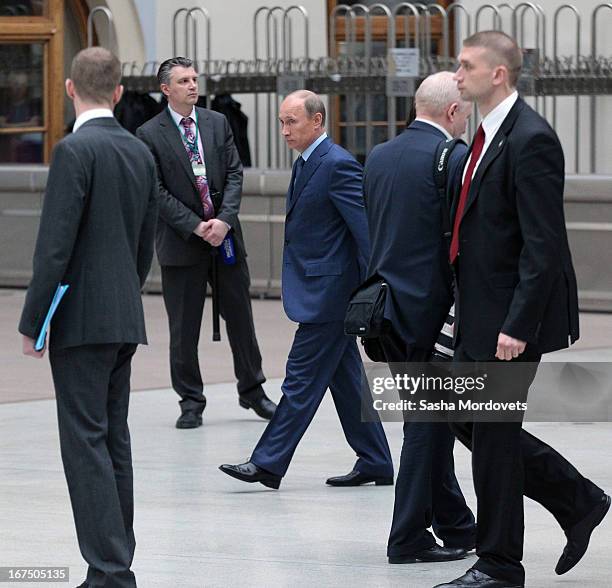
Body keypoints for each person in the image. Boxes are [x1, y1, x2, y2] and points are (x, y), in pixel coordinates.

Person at [435, 31, 610, 588]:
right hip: (478, 312)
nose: (457, 76)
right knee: (471, 423)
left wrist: (517, 324)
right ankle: (577, 498)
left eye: (465, 67)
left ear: (498, 75)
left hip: (508, 320)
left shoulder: (531, 138)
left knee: (491, 436)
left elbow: (544, 243)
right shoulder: (487, 136)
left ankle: (500, 565)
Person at [18, 47, 158, 588]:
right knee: (112, 438)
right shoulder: (139, 152)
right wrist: (124, 290)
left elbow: (54, 247)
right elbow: (144, 244)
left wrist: (34, 321)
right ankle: (117, 556)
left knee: (84, 442)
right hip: (124, 314)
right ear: (120, 92)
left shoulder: (74, 151)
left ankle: (109, 568)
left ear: (70, 90)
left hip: (81, 320)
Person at [219, 90, 393, 489]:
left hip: (331, 297)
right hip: (322, 291)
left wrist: (372, 291)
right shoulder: (307, 163)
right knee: (347, 382)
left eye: (291, 122)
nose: (284, 130)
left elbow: (364, 232)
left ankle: (267, 462)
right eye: (281, 122)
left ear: (317, 121)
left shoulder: (337, 165)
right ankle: (377, 460)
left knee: (299, 381)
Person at [364, 71, 477, 564]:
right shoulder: (451, 159)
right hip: (431, 317)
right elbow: (459, 243)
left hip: (384, 312)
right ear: (452, 112)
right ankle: (407, 536)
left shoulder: (378, 156)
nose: (468, 117)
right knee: (426, 428)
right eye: (466, 110)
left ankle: (456, 523)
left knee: (427, 422)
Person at [136, 57, 276, 429]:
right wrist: (197, 226)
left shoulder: (217, 123)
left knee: (241, 319)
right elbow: (157, 192)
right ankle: (191, 400)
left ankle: (253, 390)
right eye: (184, 81)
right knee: (184, 328)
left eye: (195, 79)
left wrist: (224, 222)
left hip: (225, 239)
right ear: (166, 89)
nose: (193, 86)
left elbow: (234, 172)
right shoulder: (149, 133)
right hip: (183, 243)